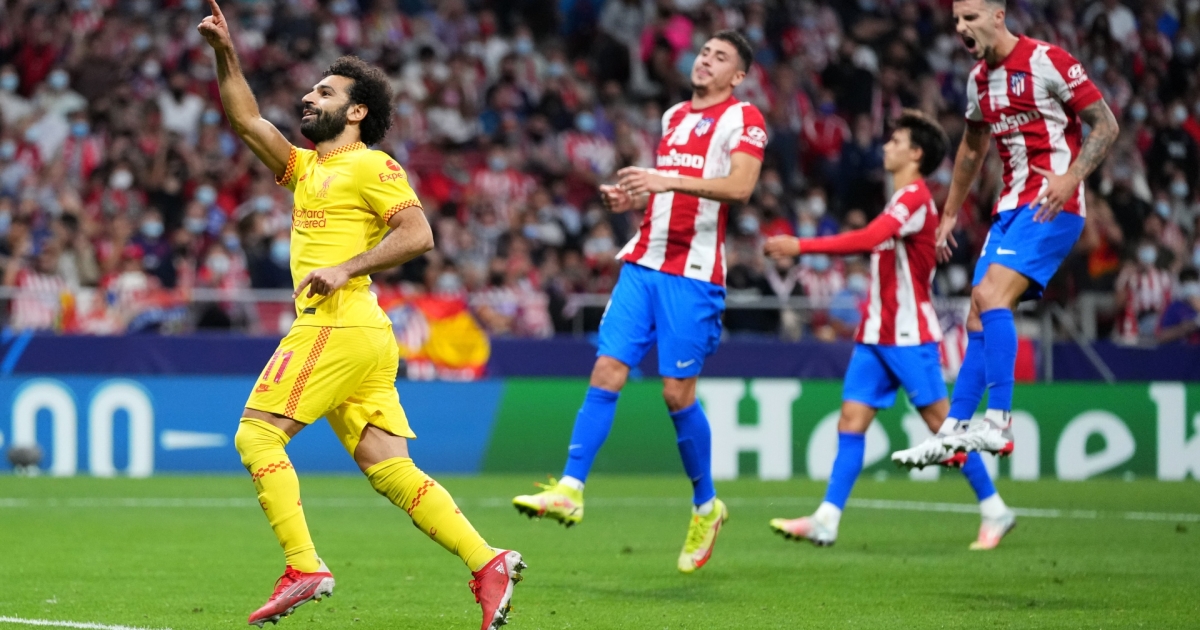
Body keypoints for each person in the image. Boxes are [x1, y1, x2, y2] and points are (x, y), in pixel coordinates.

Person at [196, 2, 525, 628]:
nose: (308, 97)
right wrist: (226, 53)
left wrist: (347, 267)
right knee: (390, 468)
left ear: (357, 112)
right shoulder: (305, 167)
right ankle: (488, 563)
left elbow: (418, 233)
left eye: (325, 92)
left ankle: (304, 566)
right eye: (311, 89)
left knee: (256, 435)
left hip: (336, 322)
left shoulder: (372, 164)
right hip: (361, 333)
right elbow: (246, 120)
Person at [511, 30, 766, 574]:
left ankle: (706, 506)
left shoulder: (744, 119)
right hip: (643, 262)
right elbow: (665, 194)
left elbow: (741, 187)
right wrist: (631, 197)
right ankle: (571, 488)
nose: (706, 60)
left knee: (676, 393)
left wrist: (662, 179)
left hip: (692, 274)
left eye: (721, 57)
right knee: (607, 369)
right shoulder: (675, 116)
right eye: (704, 52)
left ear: (738, 76)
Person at [762, 110, 1015, 550]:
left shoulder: (914, 198)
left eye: (895, 141)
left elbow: (867, 238)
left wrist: (800, 245)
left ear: (915, 154)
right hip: (875, 334)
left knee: (944, 428)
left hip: (908, 335)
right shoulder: (902, 200)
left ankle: (995, 509)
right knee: (851, 421)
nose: (886, 146)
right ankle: (826, 519)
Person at [893, 0, 1118, 467]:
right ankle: (953, 429)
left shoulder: (1048, 60)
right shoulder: (978, 81)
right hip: (1009, 209)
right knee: (977, 313)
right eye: (956, 20)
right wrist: (949, 213)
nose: (961, 27)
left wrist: (1072, 178)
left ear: (999, 16)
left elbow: (1106, 124)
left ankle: (999, 422)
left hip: (1051, 203)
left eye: (970, 17)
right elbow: (972, 148)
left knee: (992, 296)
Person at [1156, 267, 1200, 345]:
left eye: (1193, 281)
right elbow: (1161, 336)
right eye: (1186, 282)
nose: (1190, 285)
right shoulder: (1174, 307)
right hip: (1179, 350)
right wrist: (1189, 327)